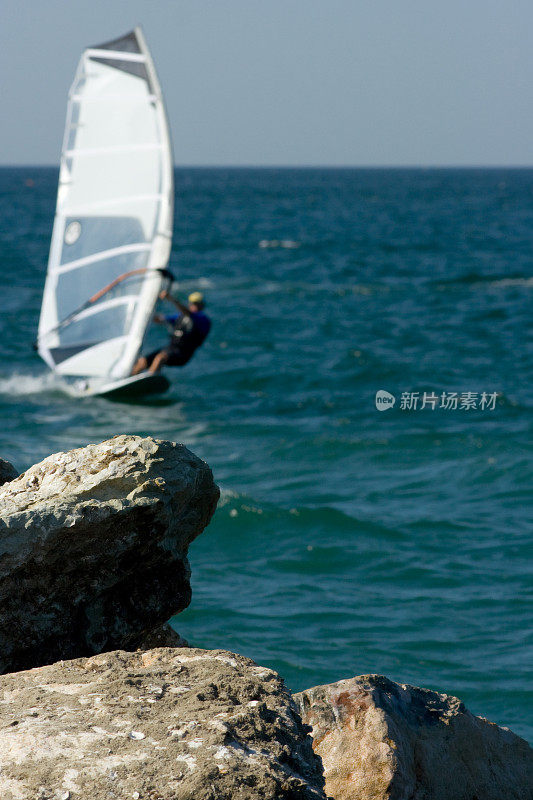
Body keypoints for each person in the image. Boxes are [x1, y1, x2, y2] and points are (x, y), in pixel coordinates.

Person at [132, 290, 211, 375]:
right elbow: (160, 319)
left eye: (197, 304)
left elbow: (189, 314)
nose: (194, 306)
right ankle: (129, 380)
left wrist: (171, 299)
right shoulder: (180, 317)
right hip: (171, 348)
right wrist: (144, 312)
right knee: (142, 361)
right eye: (192, 303)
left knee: (160, 357)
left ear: (202, 306)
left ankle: (148, 380)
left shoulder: (203, 320)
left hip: (183, 353)